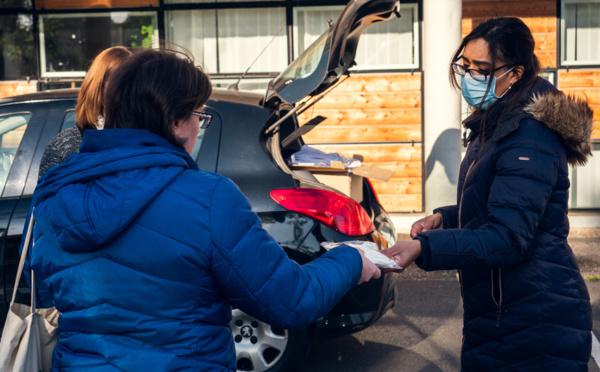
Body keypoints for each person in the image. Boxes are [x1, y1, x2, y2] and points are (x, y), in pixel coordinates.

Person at [28, 49, 381, 370]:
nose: (200, 125)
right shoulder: (209, 197)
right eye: (199, 114)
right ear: (175, 122)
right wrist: (350, 260)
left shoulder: (55, 192)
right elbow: (289, 299)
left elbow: (46, 292)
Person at [384, 17, 592, 371]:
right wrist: (445, 218)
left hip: (536, 321)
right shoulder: (495, 123)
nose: (469, 77)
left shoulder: (530, 135)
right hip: (504, 313)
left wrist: (426, 248)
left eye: (481, 69)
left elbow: (508, 237)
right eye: (465, 66)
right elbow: (500, 201)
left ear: (515, 74)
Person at [38, 46, 132, 178]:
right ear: (97, 85)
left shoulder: (146, 142)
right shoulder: (64, 146)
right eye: (118, 81)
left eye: (132, 83)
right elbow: (46, 196)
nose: (126, 91)